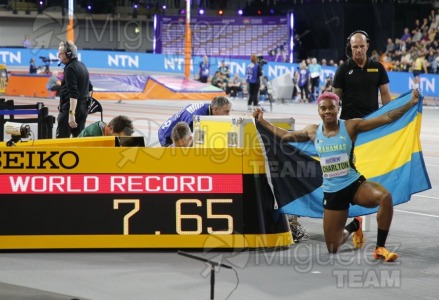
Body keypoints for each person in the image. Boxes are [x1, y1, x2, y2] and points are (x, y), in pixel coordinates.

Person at [253, 89, 420, 261]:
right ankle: (355, 224)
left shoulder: (350, 126)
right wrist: (262, 121)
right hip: (333, 192)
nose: (327, 112)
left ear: (338, 108)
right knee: (333, 247)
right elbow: (286, 136)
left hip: (354, 183)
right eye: (323, 108)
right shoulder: (312, 132)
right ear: (318, 110)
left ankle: (380, 247)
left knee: (385, 197)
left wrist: (410, 103)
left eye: (331, 108)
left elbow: (386, 118)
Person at [333, 30, 392, 120]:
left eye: (362, 46)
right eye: (355, 47)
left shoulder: (378, 67)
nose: (359, 50)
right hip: (348, 122)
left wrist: (390, 117)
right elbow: (335, 98)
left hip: (371, 121)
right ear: (350, 47)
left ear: (367, 46)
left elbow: (385, 94)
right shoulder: (343, 69)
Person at [158, 96, 232, 147]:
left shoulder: (209, 109)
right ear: (215, 109)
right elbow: (190, 141)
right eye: (226, 112)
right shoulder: (198, 116)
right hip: (166, 135)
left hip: (177, 130)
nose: (228, 115)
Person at [56, 41, 93, 138]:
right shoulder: (82, 65)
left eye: (61, 53)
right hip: (82, 109)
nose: (59, 56)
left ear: (68, 54)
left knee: (62, 141)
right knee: (78, 139)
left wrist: (71, 114)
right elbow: (90, 88)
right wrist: (85, 105)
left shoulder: (70, 69)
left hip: (70, 110)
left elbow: (73, 94)